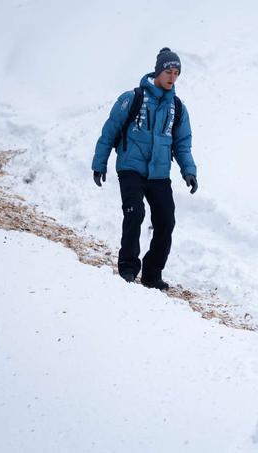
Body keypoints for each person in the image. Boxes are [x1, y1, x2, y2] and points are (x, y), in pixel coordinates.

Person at [91, 47, 197, 290]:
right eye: (169, 71)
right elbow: (109, 132)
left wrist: (188, 171)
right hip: (131, 168)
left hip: (159, 174)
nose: (172, 77)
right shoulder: (133, 98)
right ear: (158, 72)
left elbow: (182, 144)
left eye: (177, 73)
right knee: (135, 212)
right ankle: (128, 268)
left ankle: (152, 275)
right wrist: (100, 162)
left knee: (166, 221)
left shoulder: (177, 108)